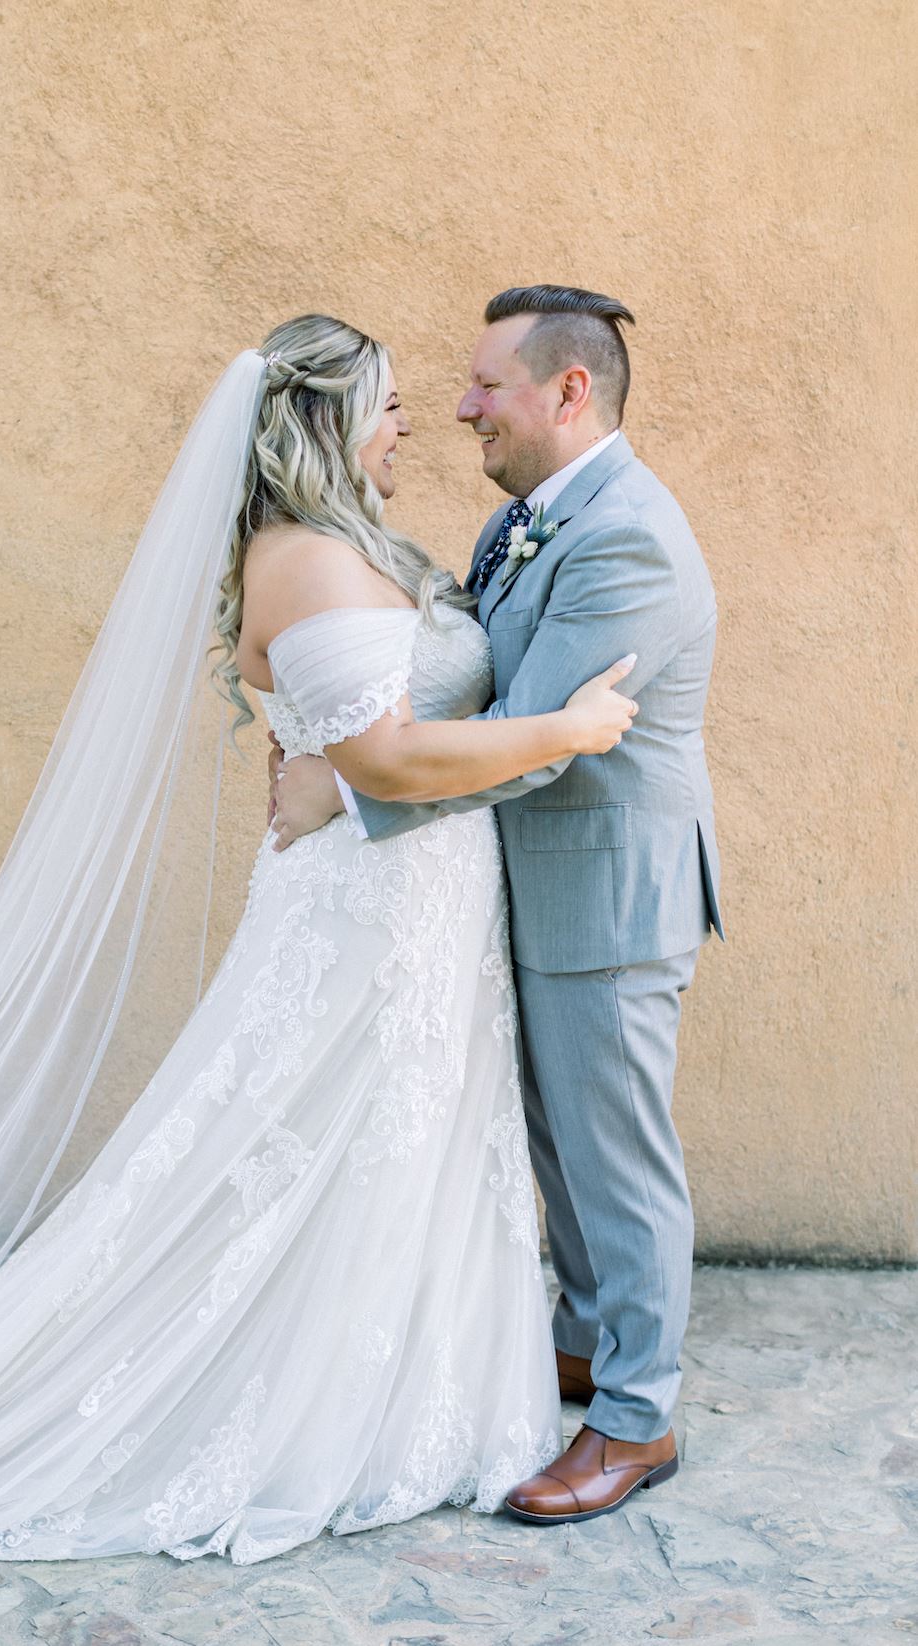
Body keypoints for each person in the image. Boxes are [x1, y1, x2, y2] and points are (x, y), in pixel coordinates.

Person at [0, 313, 639, 1595]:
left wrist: (340, 768)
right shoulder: (305, 558)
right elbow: (389, 758)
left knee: (403, 1144)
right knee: (321, 1142)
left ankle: (407, 1382)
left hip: (422, 909)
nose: (412, 422)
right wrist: (569, 730)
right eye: (386, 403)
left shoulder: (353, 544)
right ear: (325, 422)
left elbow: (379, 731)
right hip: (366, 920)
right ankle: (307, 1404)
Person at [271, 286, 725, 1526]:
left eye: (486, 384)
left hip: (608, 892)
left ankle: (636, 1417)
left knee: (618, 1157)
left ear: (569, 390)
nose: (463, 405)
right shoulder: (522, 519)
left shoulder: (629, 536)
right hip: (533, 884)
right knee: (561, 1142)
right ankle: (587, 1337)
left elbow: (536, 739)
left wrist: (349, 788)